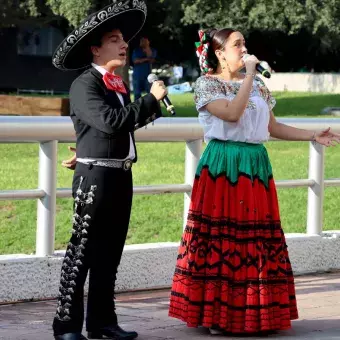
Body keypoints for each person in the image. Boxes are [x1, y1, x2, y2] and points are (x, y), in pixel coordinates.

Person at [168, 28, 340, 336]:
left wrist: (312, 134)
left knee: (256, 240)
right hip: (223, 164)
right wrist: (248, 74)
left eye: (244, 43)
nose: (245, 49)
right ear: (219, 53)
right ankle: (218, 315)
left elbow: (272, 126)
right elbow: (232, 115)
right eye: (238, 45)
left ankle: (255, 313)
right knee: (222, 238)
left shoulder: (257, 84)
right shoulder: (207, 84)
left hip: (255, 164)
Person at [51, 1, 167, 339]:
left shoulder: (116, 83)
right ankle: (66, 327)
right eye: (115, 39)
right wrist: (151, 99)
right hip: (95, 178)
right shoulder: (84, 84)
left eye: (123, 39)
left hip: (120, 174)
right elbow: (110, 122)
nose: (124, 44)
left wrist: (149, 105)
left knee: (109, 255)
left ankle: (102, 323)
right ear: (96, 49)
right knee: (81, 252)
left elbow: (119, 126)